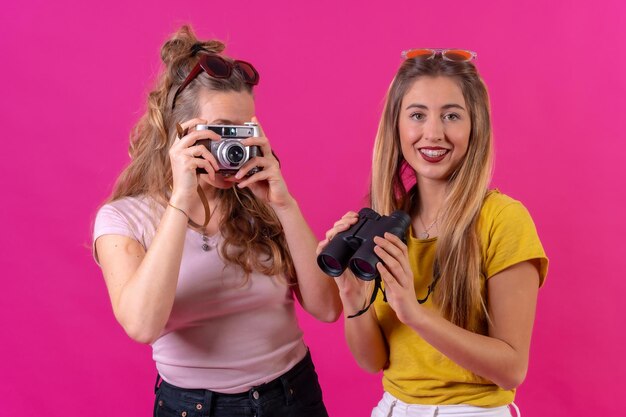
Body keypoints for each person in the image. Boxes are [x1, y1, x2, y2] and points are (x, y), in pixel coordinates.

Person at [93, 25, 340, 417]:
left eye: (242, 132)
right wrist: (181, 199)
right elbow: (141, 325)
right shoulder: (124, 218)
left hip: (293, 395)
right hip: (193, 407)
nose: (233, 148)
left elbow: (327, 308)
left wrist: (285, 205)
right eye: (219, 131)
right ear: (179, 133)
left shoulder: (260, 201)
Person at [317, 48, 548, 417]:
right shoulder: (387, 225)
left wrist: (415, 313)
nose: (433, 133)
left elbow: (511, 368)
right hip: (394, 408)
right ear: (397, 125)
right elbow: (373, 361)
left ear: (476, 126)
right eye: (417, 115)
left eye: (451, 116)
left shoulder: (502, 219)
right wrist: (350, 295)